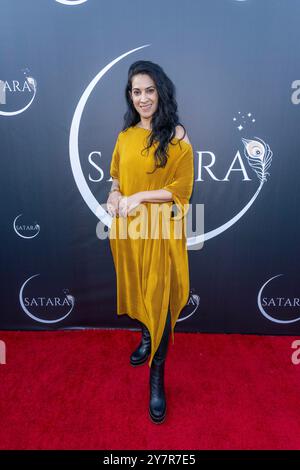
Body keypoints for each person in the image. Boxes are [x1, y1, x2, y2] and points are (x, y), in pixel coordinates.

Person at [107, 60, 194, 424]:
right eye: (136, 92)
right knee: (139, 292)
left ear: (161, 91)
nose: (143, 98)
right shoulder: (125, 136)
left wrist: (141, 197)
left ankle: (156, 375)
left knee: (159, 299)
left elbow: (182, 192)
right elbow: (115, 179)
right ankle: (145, 333)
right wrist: (113, 196)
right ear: (130, 96)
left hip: (160, 237)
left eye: (149, 90)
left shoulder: (177, 137)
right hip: (127, 234)